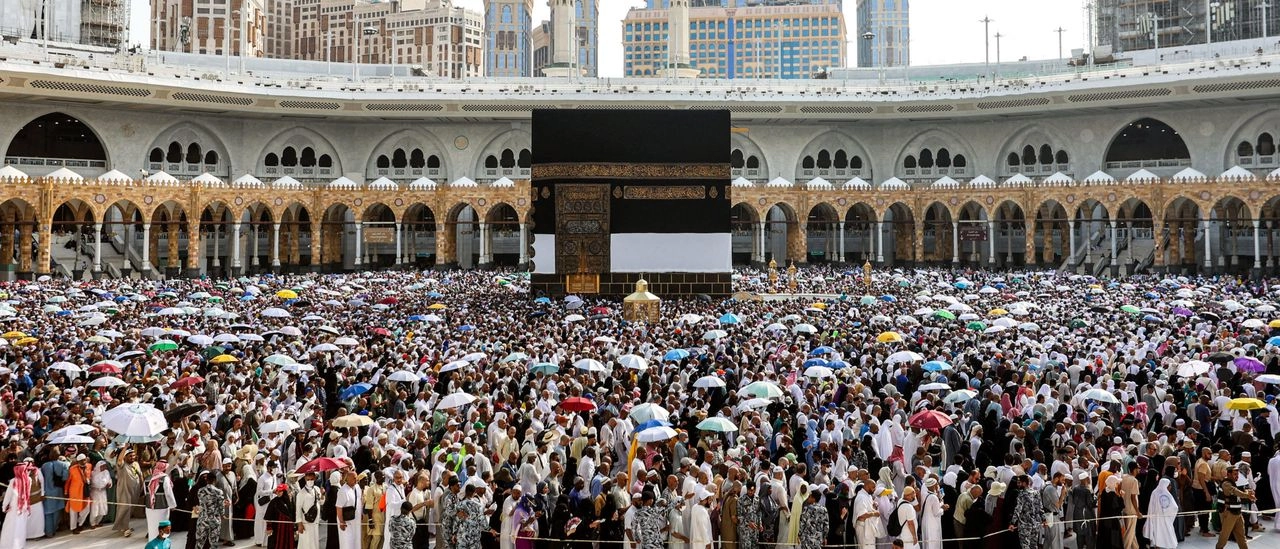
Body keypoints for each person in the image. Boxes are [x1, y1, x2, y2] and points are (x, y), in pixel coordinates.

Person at [1216, 466, 1255, 549]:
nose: (1237, 476)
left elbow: (1238, 493)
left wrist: (1248, 492)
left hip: (1237, 513)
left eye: (1237, 474)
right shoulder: (1226, 484)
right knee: (1224, 535)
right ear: (1228, 474)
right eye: (1234, 474)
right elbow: (1235, 491)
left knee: (1241, 535)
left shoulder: (1233, 483)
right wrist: (1247, 495)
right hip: (1229, 513)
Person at [1, 461, 35, 549]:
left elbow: (8, 496)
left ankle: (9, 546)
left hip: (14, 508)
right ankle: (20, 545)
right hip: (23, 507)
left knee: (10, 527)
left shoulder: (13, 481)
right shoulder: (29, 480)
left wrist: (4, 507)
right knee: (21, 527)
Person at [194, 470, 231, 549]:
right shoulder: (218, 492)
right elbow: (221, 506)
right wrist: (223, 515)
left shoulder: (200, 491)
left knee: (199, 542)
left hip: (202, 519)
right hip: (214, 519)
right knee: (213, 543)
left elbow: (203, 503)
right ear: (215, 480)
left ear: (207, 480)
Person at [114, 449, 143, 538]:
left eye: (134, 456)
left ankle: (125, 526)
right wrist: (125, 447)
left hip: (135, 490)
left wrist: (142, 488)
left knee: (131, 508)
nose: (132, 457)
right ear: (125, 457)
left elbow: (140, 475)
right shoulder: (122, 465)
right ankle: (125, 528)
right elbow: (119, 460)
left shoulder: (136, 464)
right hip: (124, 490)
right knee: (125, 507)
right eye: (130, 456)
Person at [146, 460, 177, 542]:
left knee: (152, 528)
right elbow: (169, 494)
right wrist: (173, 505)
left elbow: (147, 494)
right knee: (162, 528)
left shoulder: (148, 478)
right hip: (162, 508)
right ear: (163, 469)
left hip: (149, 508)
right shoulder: (165, 478)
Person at [1143, 478, 1179, 549]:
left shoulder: (1154, 492)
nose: (1170, 487)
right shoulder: (1166, 494)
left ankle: (1158, 546)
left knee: (1158, 533)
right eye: (1169, 485)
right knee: (1165, 533)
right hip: (1163, 518)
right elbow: (1174, 507)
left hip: (1156, 518)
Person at [1011, 475, 1042, 549]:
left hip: (1025, 525)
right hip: (1035, 525)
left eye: (1019, 483)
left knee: (1025, 546)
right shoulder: (1036, 493)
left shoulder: (1021, 494)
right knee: (1034, 546)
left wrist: (1012, 523)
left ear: (1024, 483)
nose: (1018, 484)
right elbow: (1040, 507)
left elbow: (1018, 509)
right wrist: (1043, 519)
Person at [295, 472, 323, 549]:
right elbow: (298, 509)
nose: (310, 481)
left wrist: (322, 495)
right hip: (305, 521)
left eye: (312, 479)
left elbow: (320, 502)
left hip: (315, 520)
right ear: (305, 479)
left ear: (315, 478)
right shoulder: (301, 493)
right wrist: (299, 524)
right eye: (308, 479)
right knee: (305, 540)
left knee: (314, 539)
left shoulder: (317, 489)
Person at [335, 471, 362, 549]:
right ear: (348, 479)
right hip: (346, 521)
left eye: (356, 478)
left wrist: (361, 514)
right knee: (347, 542)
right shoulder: (342, 491)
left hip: (356, 519)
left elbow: (360, 500)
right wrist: (341, 522)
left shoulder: (357, 487)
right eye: (354, 478)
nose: (356, 479)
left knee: (356, 540)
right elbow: (339, 507)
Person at [65, 454, 91, 534]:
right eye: (81, 461)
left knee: (87, 509)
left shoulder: (89, 466)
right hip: (75, 492)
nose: (83, 462)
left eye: (84, 460)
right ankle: (73, 528)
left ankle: (80, 523)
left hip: (85, 491)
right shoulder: (72, 469)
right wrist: (66, 491)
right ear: (78, 461)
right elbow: (68, 481)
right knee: (73, 511)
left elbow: (89, 476)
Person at [264, 484, 295, 549]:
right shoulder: (274, 502)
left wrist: (295, 526)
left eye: (280, 491)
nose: (278, 492)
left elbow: (293, 513)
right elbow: (269, 515)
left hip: (288, 528)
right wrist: (269, 527)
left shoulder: (290, 501)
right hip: (278, 528)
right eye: (277, 491)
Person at [919, 477, 944, 549]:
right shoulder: (933, 497)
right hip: (932, 523)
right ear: (933, 486)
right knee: (933, 542)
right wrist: (943, 508)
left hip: (925, 521)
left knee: (927, 541)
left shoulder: (924, 494)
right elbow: (936, 512)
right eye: (936, 484)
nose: (938, 486)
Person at [89, 461, 112, 528]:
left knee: (102, 508)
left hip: (103, 493)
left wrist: (109, 484)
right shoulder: (93, 473)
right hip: (95, 493)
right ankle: (92, 523)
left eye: (105, 466)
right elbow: (94, 483)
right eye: (102, 466)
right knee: (95, 508)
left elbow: (109, 480)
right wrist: (103, 485)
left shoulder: (106, 472)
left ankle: (97, 522)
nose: (104, 467)